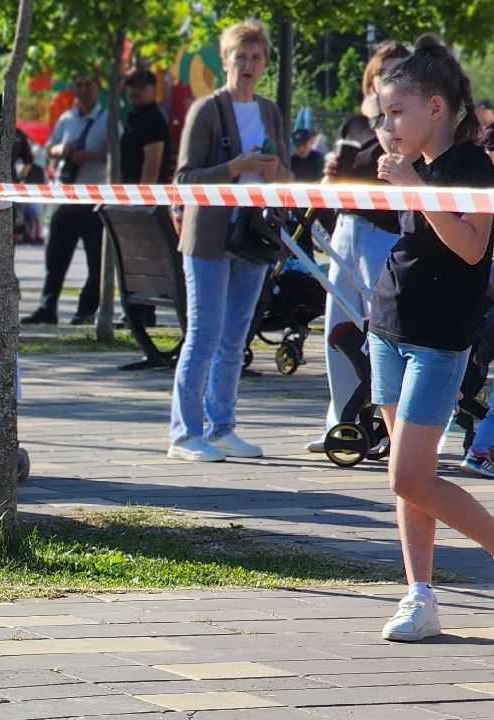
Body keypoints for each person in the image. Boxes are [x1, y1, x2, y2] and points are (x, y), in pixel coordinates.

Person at [362, 39, 494, 641]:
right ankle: (419, 594)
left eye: (396, 112)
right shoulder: (412, 167)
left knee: (407, 476)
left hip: (441, 338)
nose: (386, 125)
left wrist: (415, 186)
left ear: (436, 108)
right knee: (405, 471)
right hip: (389, 324)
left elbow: (470, 249)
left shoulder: (470, 167)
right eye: (382, 114)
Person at [167, 21, 285, 462]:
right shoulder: (206, 109)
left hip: (254, 237)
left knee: (235, 339)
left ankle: (222, 427)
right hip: (209, 240)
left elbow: (287, 174)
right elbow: (184, 178)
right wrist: (235, 166)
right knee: (203, 335)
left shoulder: (270, 111)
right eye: (241, 57)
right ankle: (183, 434)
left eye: (256, 58)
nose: (249, 66)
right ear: (226, 60)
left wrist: (275, 172)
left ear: (265, 63)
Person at [311, 40, 412, 454]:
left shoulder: (403, 124)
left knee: (383, 331)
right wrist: (330, 175)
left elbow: (399, 163)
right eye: (380, 73)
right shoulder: (354, 122)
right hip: (346, 226)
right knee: (338, 328)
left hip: (384, 231)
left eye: (396, 72)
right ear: (370, 79)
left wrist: (383, 123)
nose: (385, 80)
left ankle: (392, 428)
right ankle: (342, 423)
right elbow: (338, 177)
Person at [24, 75, 111, 325]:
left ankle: (85, 311)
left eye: (88, 84)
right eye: (80, 84)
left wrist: (92, 156)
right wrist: (62, 151)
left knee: (96, 260)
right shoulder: (67, 118)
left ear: (98, 87)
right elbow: (49, 147)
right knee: (55, 257)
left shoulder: (108, 120)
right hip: (65, 197)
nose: (83, 89)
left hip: (94, 199)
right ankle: (47, 308)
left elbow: (118, 154)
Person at [118, 69, 170, 327]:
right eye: (130, 86)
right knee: (134, 260)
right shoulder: (135, 117)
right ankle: (134, 312)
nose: (133, 91)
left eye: (139, 86)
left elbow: (152, 162)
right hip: (131, 198)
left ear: (152, 88)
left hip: (145, 201)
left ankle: (144, 315)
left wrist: (141, 199)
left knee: (145, 261)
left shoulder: (152, 121)